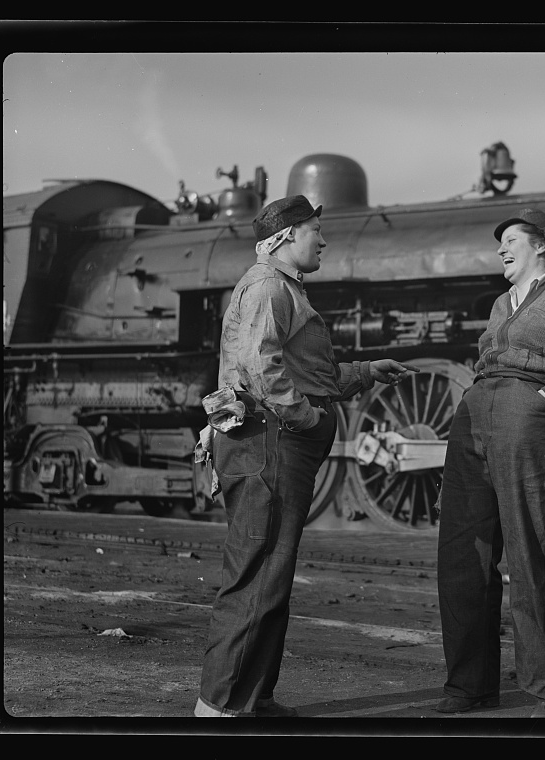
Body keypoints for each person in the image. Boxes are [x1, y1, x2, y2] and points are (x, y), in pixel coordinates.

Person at [194, 195, 416, 718]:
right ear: (289, 235)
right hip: (269, 444)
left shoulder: (284, 288)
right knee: (258, 572)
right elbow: (261, 369)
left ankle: (253, 700)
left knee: (273, 572)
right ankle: (218, 709)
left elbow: (306, 372)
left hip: (271, 443)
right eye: (316, 230)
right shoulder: (269, 287)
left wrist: (366, 372)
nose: (324, 240)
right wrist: (307, 419)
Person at [435, 209, 545, 719]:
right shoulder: (500, 302)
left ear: (542, 244)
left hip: (527, 418)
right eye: (500, 242)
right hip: (475, 417)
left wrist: (541, 402)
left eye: (511, 240)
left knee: (528, 556)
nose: (501, 249)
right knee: (464, 555)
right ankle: (470, 685)